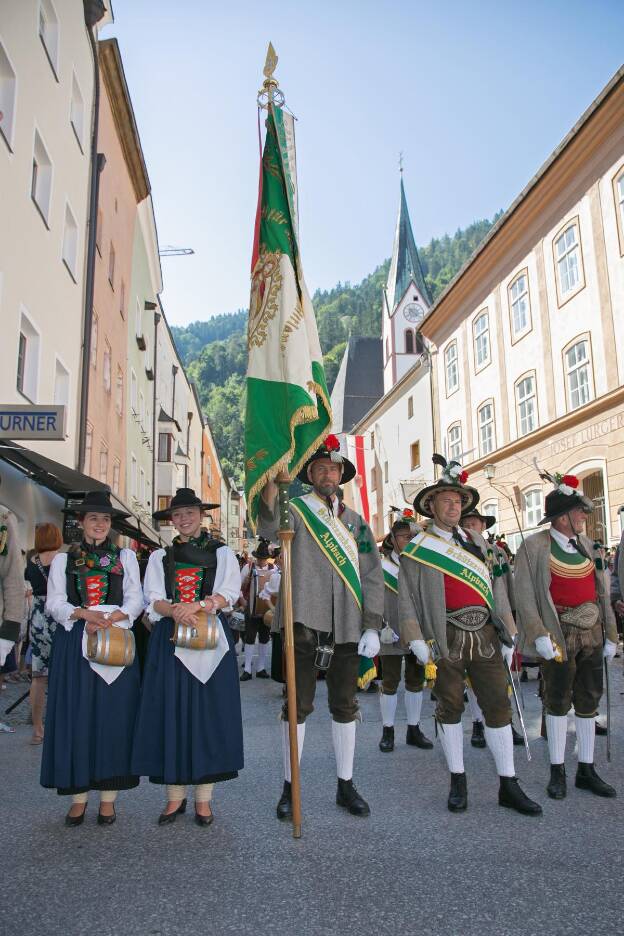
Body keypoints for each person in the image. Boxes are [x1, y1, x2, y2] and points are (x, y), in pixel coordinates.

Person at [398, 455, 541, 816]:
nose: (453, 506)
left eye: (458, 500)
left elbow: (498, 590)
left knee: (498, 706)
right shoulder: (417, 547)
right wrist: (415, 638)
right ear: (431, 505)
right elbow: (407, 599)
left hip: (486, 635)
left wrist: (509, 633)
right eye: (446, 500)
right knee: (449, 707)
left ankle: (508, 783)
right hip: (446, 635)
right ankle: (457, 780)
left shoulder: (479, 541)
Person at [259, 434, 384, 820]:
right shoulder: (294, 509)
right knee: (296, 706)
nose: (328, 473)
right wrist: (270, 482)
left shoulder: (357, 524)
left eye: (333, 468)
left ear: (341, 475)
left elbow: (373, 576)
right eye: (320, 468)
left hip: (348, 624)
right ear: (310, 475)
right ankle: (289, 786)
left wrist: (373, 626)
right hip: (304, 620)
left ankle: (345, 786)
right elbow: (266, 527)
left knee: (345, 705)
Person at [133, 488, 243, 827]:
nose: (183, 519)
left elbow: (230, 592)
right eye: (177, 515)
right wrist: (174, 610)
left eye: (189, 513)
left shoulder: (222, 553)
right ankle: (174, 797)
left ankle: (204, 799)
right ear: (172, 521)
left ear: (201, 515)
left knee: (205, 715)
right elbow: (151, 598)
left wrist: (200, 605)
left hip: (209, 635)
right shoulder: (159, 557)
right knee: (171, 712)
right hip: (170, 639)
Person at [41, 492, 143, 826]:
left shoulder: (125, 557)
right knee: (77, 715)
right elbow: (54, 602)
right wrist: (83, 613)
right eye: (93, 519)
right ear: (82, 523)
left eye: (105, 520)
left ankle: (108, 798)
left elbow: (136, 600)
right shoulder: (62, 560)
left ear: (110, 525)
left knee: (113, 716)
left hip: (114, 636)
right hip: (76, 639)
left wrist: (114, 617)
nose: (99, 525)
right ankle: (78, 797)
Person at [514, 471, 617, 800]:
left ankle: (586, 769)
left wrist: (611, 634)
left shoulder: (587, 545)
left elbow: (601, 593)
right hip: (558, 635)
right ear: (561, 518)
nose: (584, 516)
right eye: (578, 511)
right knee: (557, 703)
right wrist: (538, 634)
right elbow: (526, 595)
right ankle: (557, 770)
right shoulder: (533, 547)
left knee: (589, 701)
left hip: (592, 633)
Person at [461, 508, 524, 750]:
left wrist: (512, 623)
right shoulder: (458, 551)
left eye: (474, 522)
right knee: (474, 678)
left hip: (498, 619)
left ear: (482, 525)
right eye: (466, 523)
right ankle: (478, 722)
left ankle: (506, 721)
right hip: (471, 622)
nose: (470, 526)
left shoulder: (497, 552)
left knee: (503, 676)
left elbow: (507, 587)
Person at [378, 511, 432, 753]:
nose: (408, 540)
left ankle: (413, 729)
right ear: (393, 539)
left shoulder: (422, 563)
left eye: (412, 536)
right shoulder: (382, 566)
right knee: (389, 681)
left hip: (417, 631)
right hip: (390, 629)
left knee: (415, 681)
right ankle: (387, 730)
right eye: (403, 536)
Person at [24, 523, 63, 744]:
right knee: (60, 673)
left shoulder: (31, 562)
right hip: (57, 615)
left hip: (38, 617)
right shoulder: (61, 559)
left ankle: (38, 729)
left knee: (38, 677)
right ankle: (59, 725)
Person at [240, 538, 273, 680]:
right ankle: (247, 669)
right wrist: (242, 600)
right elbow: (238, 587)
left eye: (264, 558)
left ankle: (261, 668)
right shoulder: (248, 567)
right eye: (259, 558)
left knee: (265, 638)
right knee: (249, 637)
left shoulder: (274, 570)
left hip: (266, 609)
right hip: (251, 607)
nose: (261, 561)